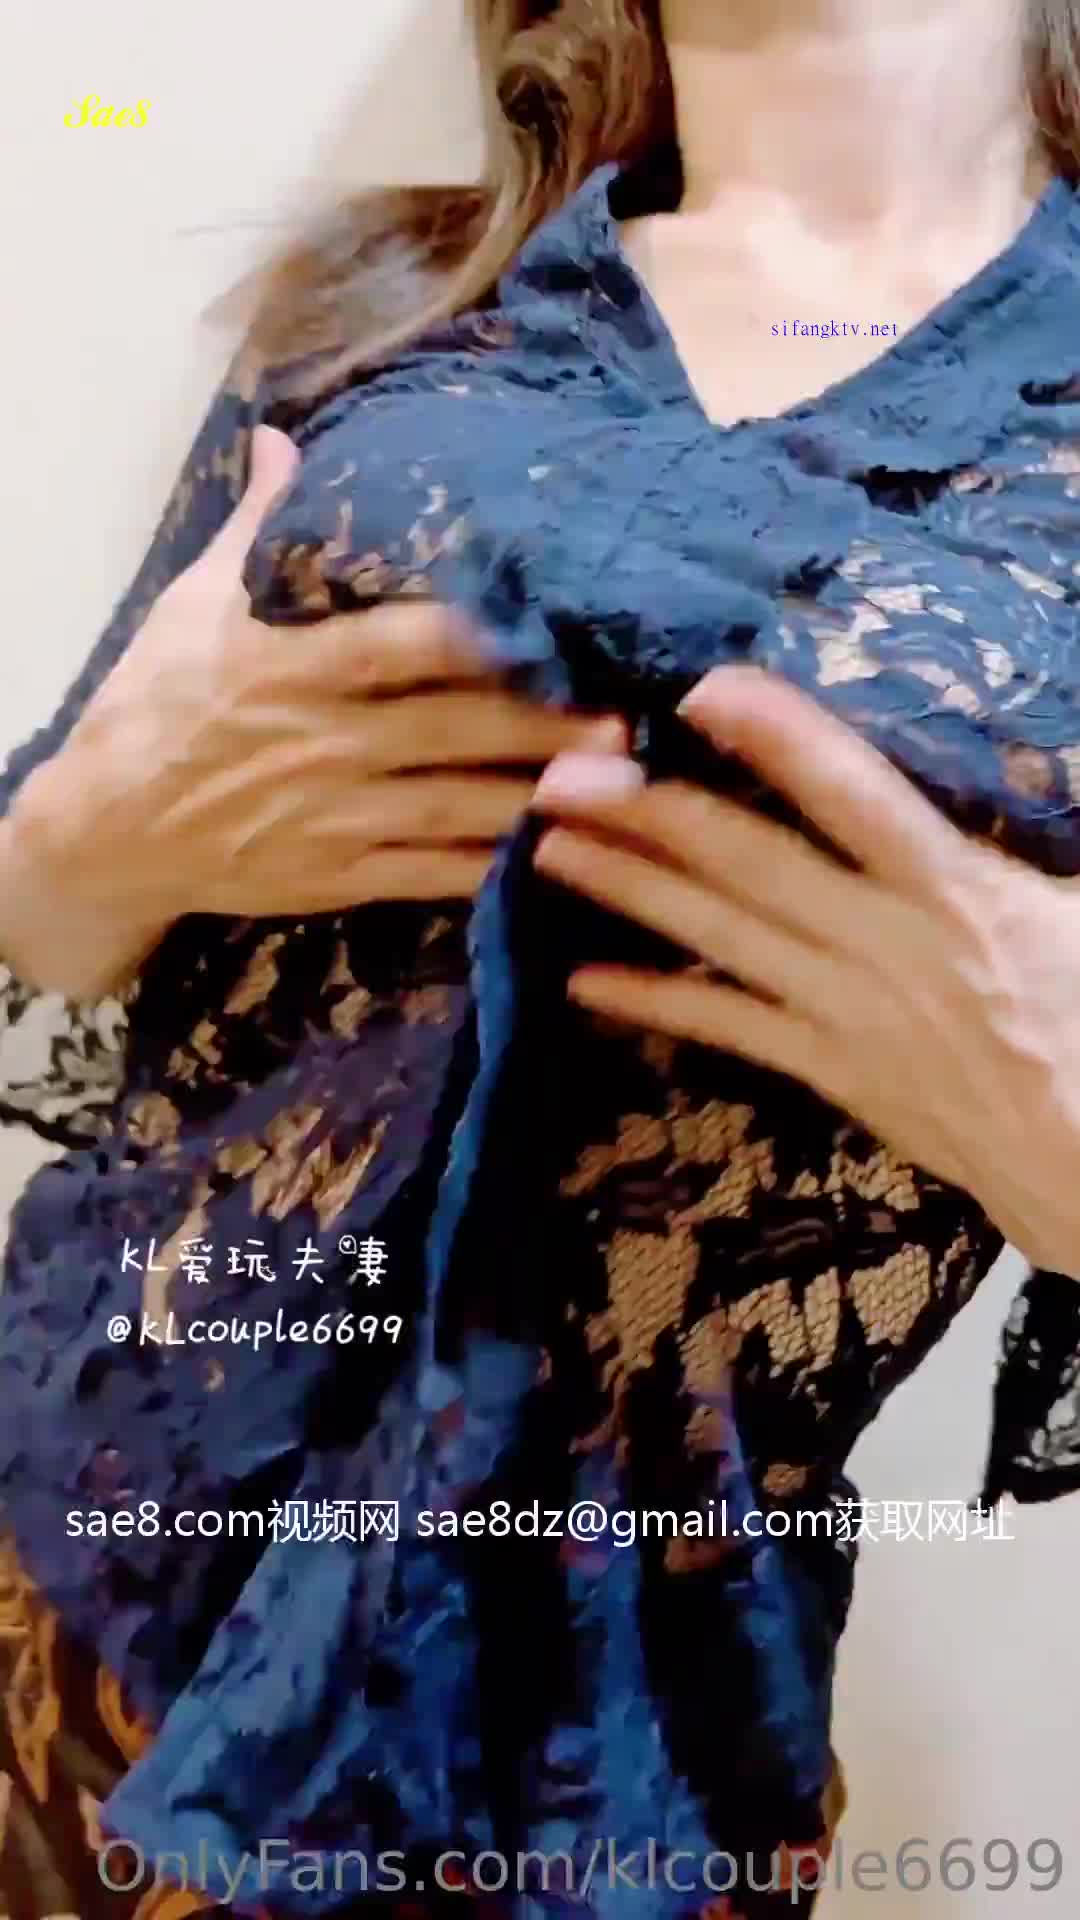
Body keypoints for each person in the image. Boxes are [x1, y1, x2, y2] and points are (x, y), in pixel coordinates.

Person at [3, 2, 1080, 1916]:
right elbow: (52, 914)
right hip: (63, 1575)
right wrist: (75, 846)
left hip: (608, 1761)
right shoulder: (392, 297)